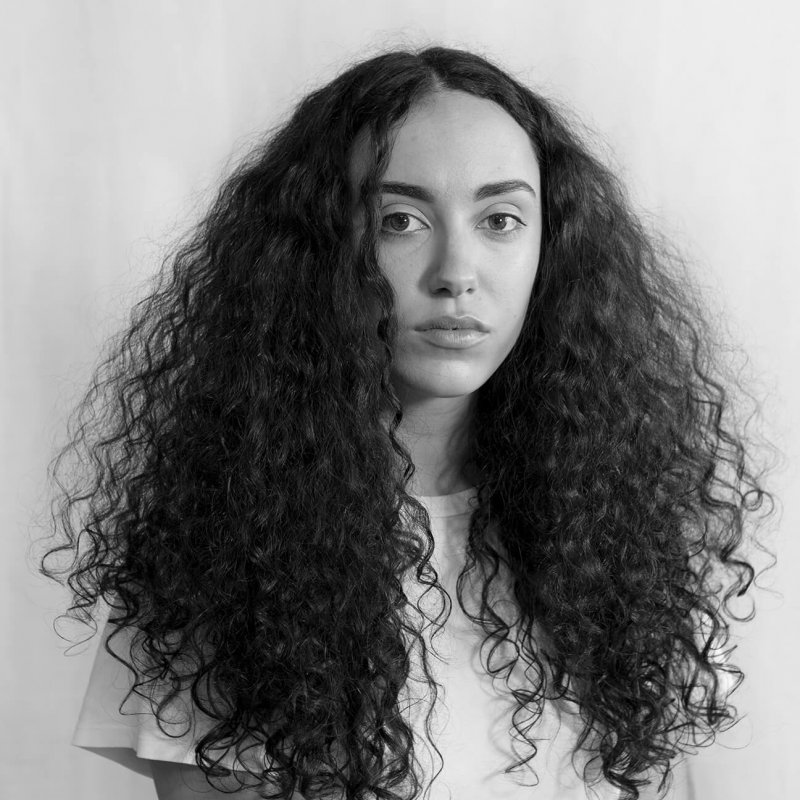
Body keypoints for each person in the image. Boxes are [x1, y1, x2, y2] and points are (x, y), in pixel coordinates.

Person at [39, 45, 776, 800]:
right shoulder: (216, 553)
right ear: (320, 251)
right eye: (400, 220)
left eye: (500, 219)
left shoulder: (631, 537)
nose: (456, 271)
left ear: (549, 248)